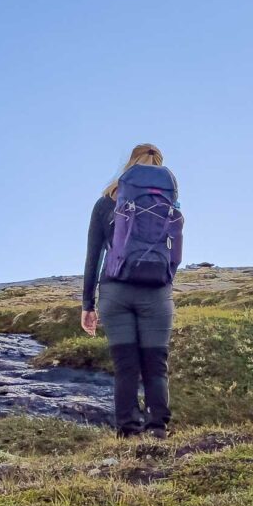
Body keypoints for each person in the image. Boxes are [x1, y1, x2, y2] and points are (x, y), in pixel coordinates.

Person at [81, 143, 183, 438]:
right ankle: (158, 430)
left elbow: (94, 256)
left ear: (129, 166)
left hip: (116, 291)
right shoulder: (168, 203)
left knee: (126, 366)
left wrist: (88, 304)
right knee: (156, 365)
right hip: (157, 292)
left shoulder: (106, 203)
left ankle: (128, 431)